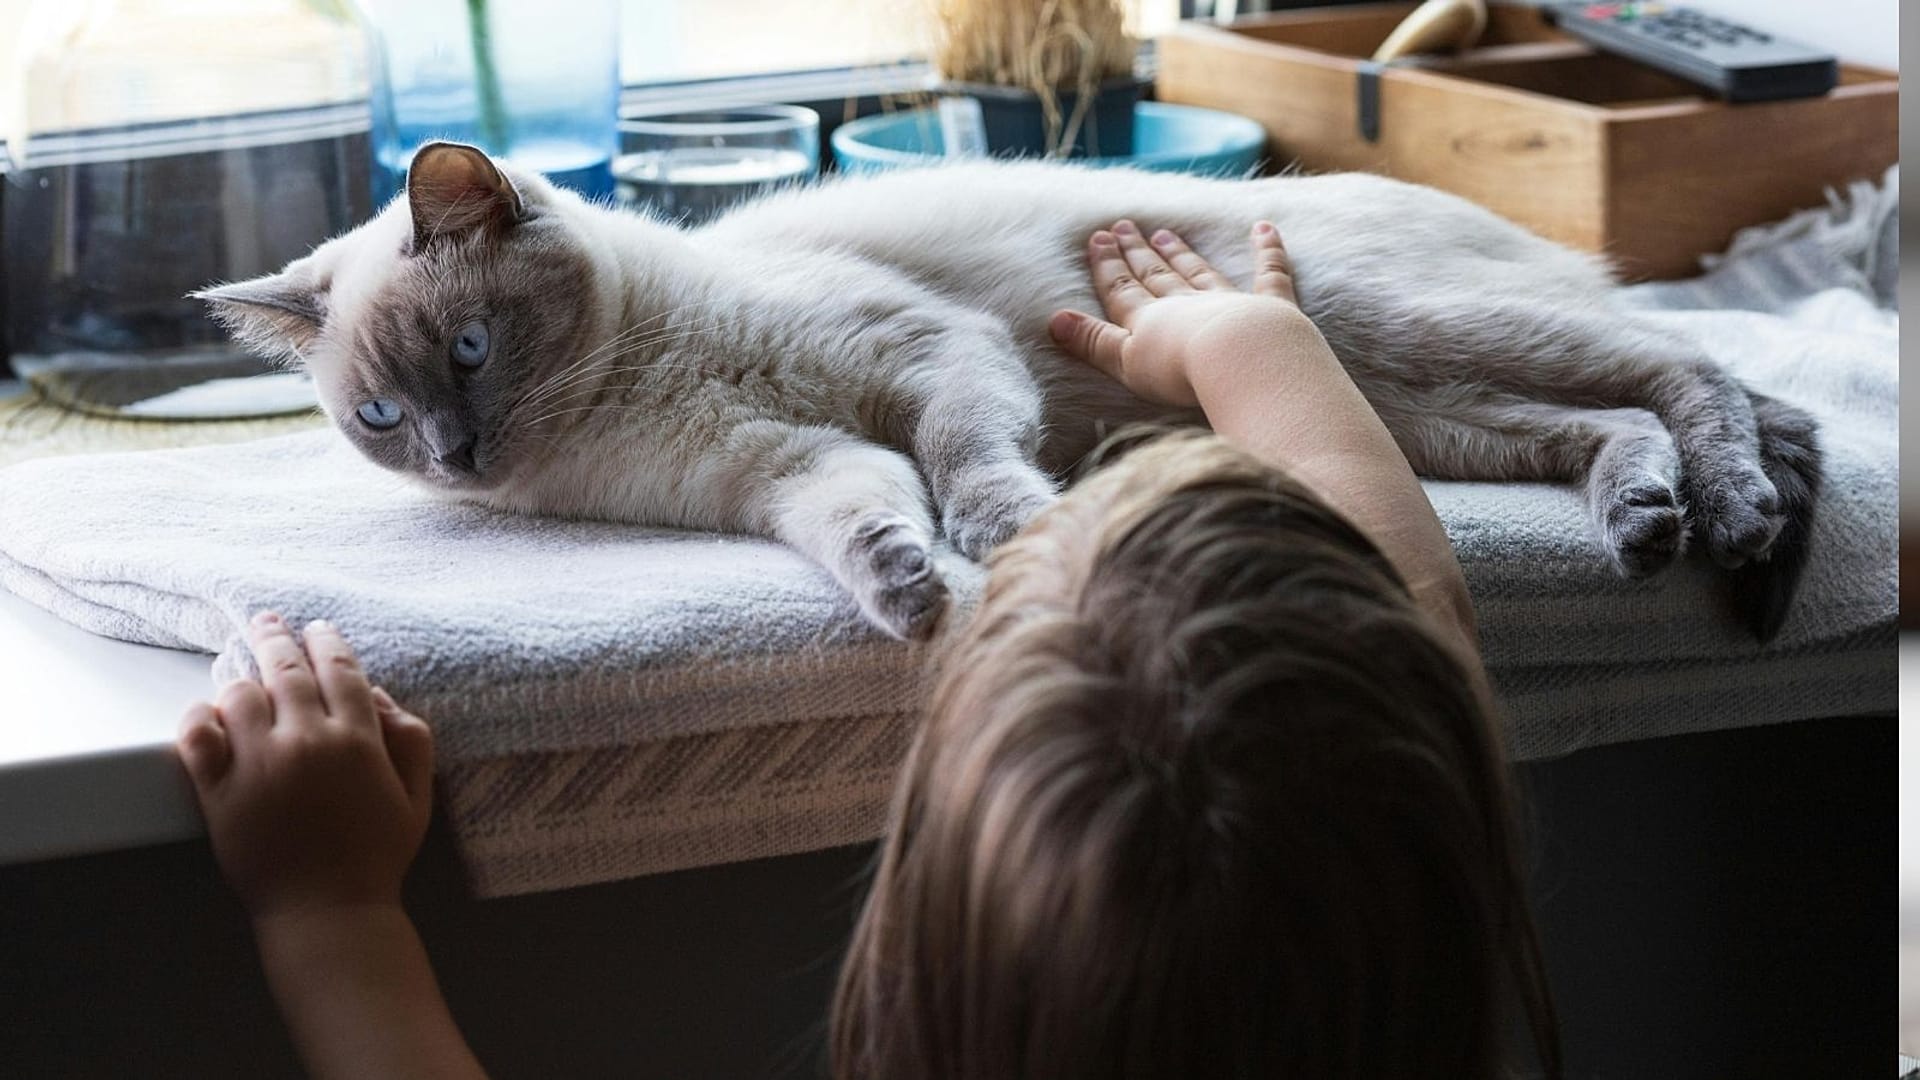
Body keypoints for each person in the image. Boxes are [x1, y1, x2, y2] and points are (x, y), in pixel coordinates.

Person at [178, 222, 1560, 1079]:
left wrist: (325, 909)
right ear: (1464, 863)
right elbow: (1412, 613)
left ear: (912, 968)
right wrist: (1259, 343)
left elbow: (1412, 628)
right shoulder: (1424, 878)